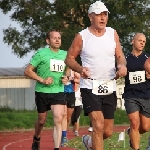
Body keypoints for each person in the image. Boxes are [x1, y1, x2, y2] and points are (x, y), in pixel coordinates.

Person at [64, 1, 127, 150]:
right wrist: (80, 69)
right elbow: (69, 59)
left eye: (105, 14)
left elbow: (120, 56)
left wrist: (122, 66)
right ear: (90, 16)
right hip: (90, 86)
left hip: (109, 85)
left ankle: (89, 142)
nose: (102, 18)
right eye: (99, 14)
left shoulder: (113, 33)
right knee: (97, 124)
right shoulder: (82, 36)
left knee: (107, 131)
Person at [24, 29, 68, 150]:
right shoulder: (41, 54)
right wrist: (42, 80)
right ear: (48, 41)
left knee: (58, 118)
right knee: (42, 121)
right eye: (54, 38)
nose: (57, 40)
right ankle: (37, 137)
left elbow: (68, 69)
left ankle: (56, 148)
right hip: (42, 92)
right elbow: (27, 71)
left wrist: (66, 77)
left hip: (58, 91)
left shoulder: (65, 54)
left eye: (59, 38)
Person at [122, 33, 150, 150]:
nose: (142, 43)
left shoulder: (147, 59)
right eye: (140, 40)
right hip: (130, 95)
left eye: (144, 41)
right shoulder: (125, 59)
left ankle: (131, 134)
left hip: (145, 95)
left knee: (145, 127)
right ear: (132, 41)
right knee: (134, 123)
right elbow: (118, 71)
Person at [61, 69, 80, 147]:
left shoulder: (74, 71)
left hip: (71, 93)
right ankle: (64, 136)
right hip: (61, 92)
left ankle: (64, 133)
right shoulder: (61, 69)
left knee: (68, 118)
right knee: (64, 115)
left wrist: (73, 79)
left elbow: (80, 80)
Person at [71, 72, 82, 137]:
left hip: (79, 102)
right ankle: (74, 127)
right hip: (72, 101)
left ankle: (76, 131)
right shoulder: (70, 86)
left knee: (77, 118)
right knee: (72, 119)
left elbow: (80, 78)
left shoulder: (81, 84)